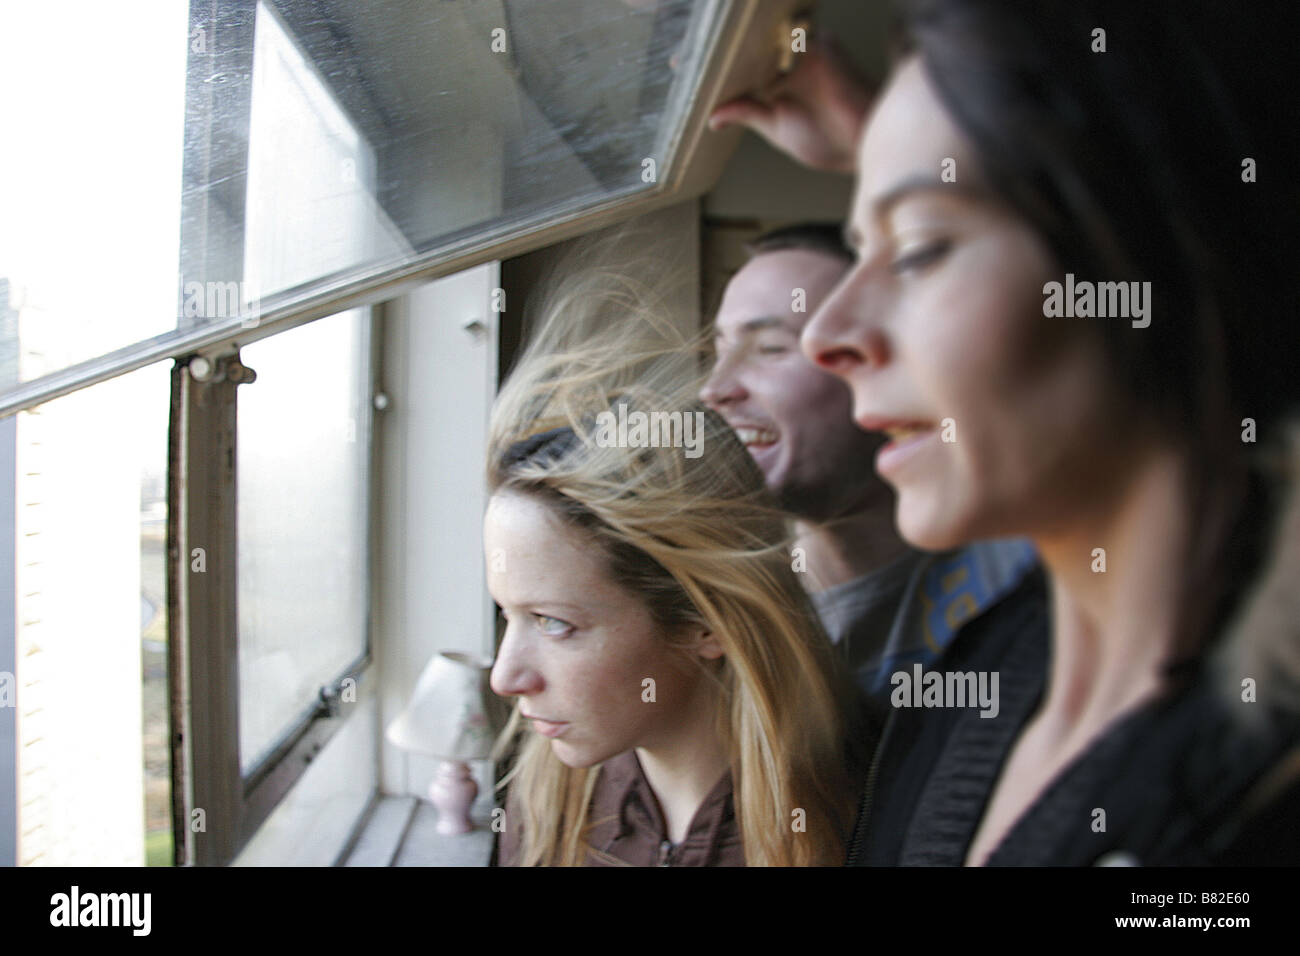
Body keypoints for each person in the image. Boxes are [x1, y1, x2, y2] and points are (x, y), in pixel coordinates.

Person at [745, 1, 1300, 865]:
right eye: (861, 248)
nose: (828, 335)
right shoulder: (982, 673)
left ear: (1161, 263)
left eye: (922, 249)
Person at [486, 268, 865, 866]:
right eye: (508, 615)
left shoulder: (858, 815)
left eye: (554, 623)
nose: (505, 679)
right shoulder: (545, 803)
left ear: (705, 621)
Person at [701, 223, 1036, 698]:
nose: (714, 389)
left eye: (771, 349)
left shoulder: (1022, 588)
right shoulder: (703, 615)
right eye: (719, 350)